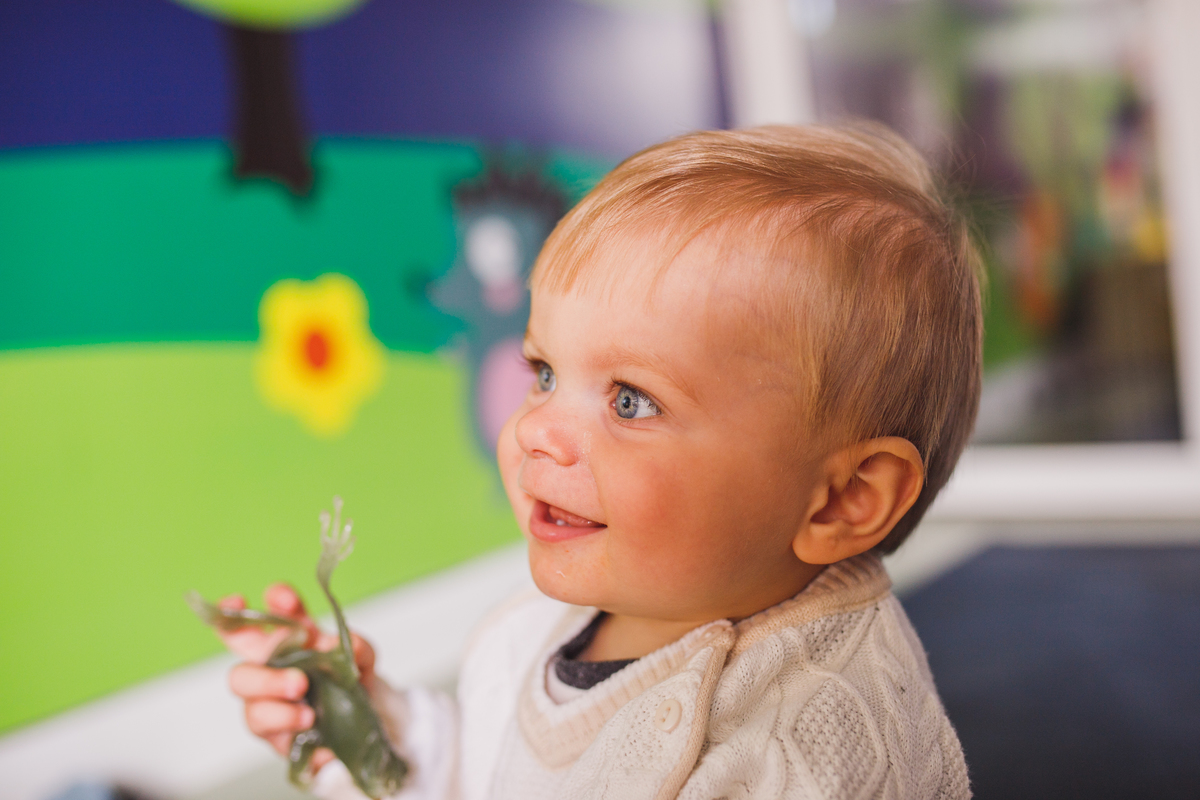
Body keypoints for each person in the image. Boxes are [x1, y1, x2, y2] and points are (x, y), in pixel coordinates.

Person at [221, 123, 981, 799]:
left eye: (630, 401)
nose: (537, 430)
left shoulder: (804, 759)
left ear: (842, 499)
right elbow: (493, 769)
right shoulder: (584, 604)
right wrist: (365, 735)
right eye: (544, 373)